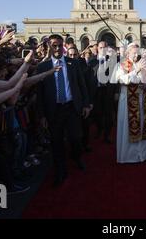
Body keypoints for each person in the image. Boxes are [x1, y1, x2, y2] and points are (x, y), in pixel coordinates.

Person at [36, 34, 91, 187]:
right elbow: (39, 94)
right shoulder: (43, 67)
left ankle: (77, 157)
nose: (58, 48)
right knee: (57, 142)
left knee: (75, 138)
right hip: (54, 111)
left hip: (72, 107)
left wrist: (86, 104)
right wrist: (41, 115)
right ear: (49, 46)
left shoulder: (73, 63)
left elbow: (81, 85)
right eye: (54, 45)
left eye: (60, 45)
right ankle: (60, 170)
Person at [114, 43, 146, 163]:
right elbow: (122, 80)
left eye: (137, 52)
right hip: (128, 101)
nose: (136, 55)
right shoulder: (122, 65)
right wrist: (136, 69)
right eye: (133, 52)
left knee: (144, 124)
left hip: (144, 99)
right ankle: (130, 156)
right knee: (130, 126)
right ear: (127, 53)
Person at [88, 41, 115, 144]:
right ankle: (99, 129)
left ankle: (107, 135)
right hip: (96, 91)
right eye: (100, 47)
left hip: (108, 91)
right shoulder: (91, 61)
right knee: (97, 113)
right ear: (97, 48)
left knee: (108, 114)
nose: (103, 49)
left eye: (105, 47)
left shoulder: (112, 61)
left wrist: (116, 92)